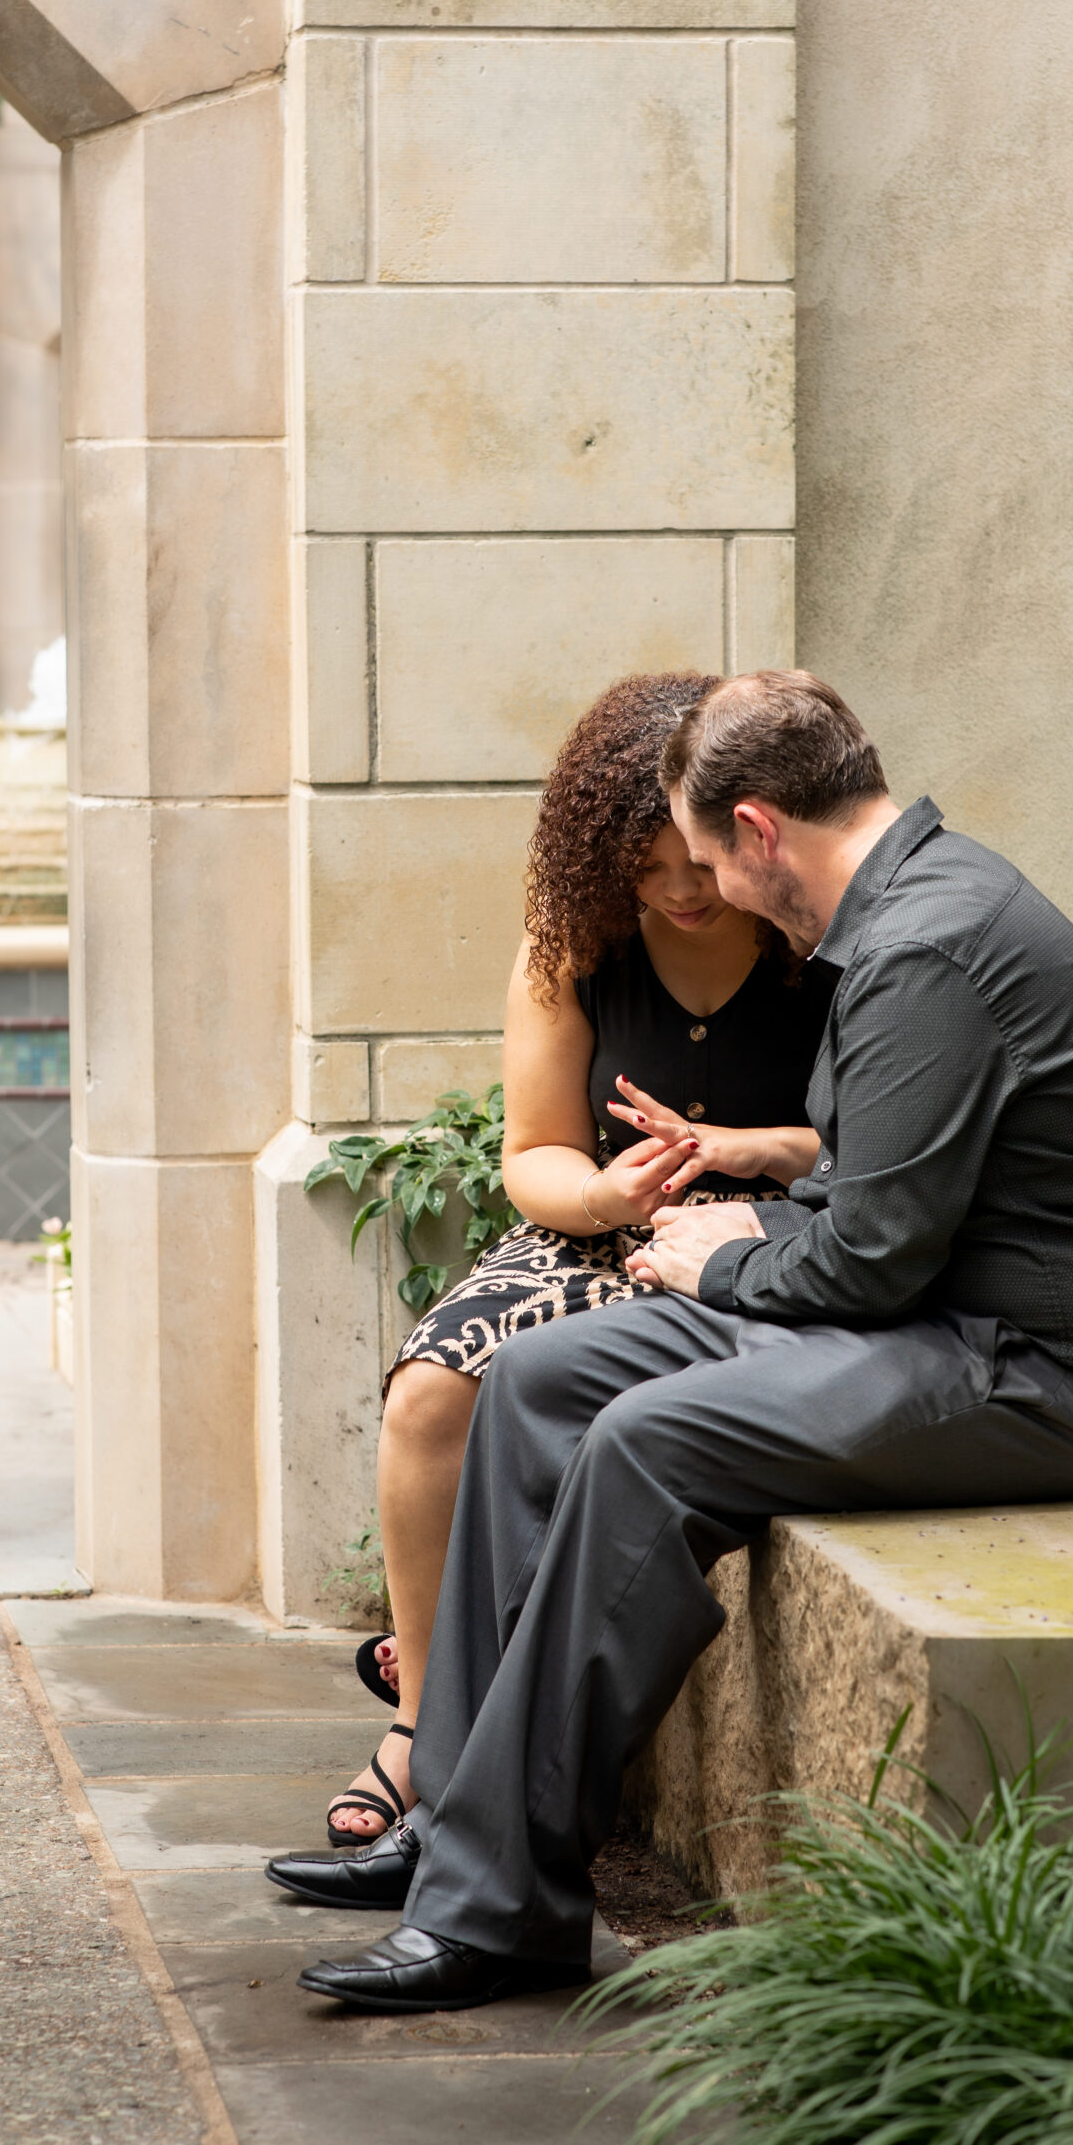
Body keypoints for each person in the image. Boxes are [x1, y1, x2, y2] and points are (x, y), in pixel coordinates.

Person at [268, 670, 1073, 2012]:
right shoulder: (899, 915)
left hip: (1023, 1373)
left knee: (645, 1439)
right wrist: (745, 1238)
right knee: (532, 1379)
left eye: (706, 859)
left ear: (756, 829)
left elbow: (870, 1258)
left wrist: (731, 1250)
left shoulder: (925, 945)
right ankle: (452, 1826)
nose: (709, 889)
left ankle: (504, 1912)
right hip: (926, 1324)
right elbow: (877, 1209)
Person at [326, 672, 836, 1848]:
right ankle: (420, 1727)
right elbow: (536, 1150)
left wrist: (753, 1151)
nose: (674, 891)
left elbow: (869, 1147)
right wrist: (604, 1191)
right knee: (430, 1392)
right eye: (642, 869)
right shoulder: (573, 943)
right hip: (597, 1231)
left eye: (692, 864)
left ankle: (512, 1725)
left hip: (771, 1238)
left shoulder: (815, 940)